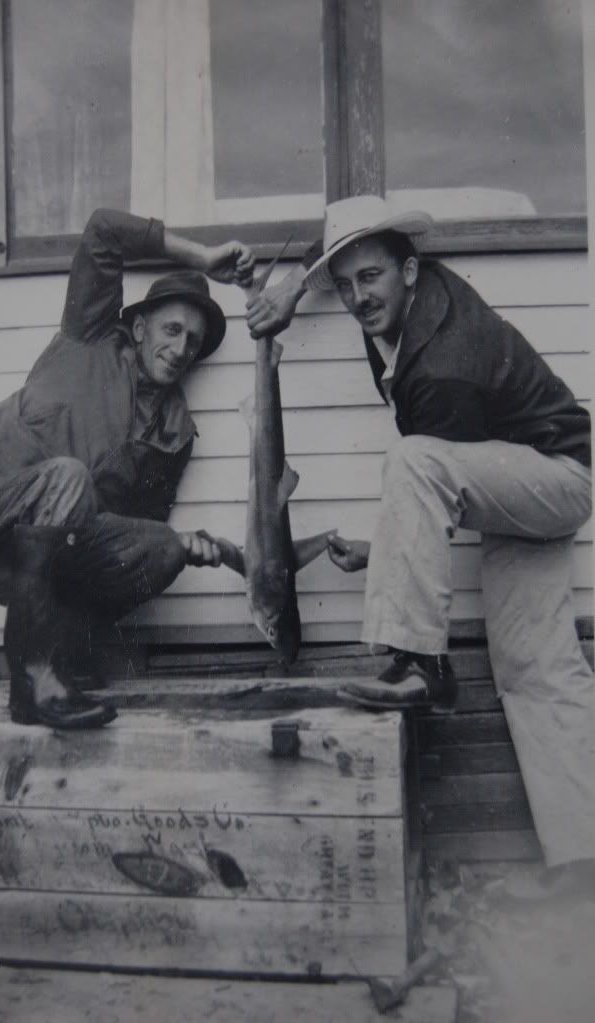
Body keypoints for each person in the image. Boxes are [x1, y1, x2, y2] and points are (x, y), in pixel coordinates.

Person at [246, 194, 594, 897]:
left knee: (411, 458)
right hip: (517, 482)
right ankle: (584, 863)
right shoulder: (406, 301)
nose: (357, 298)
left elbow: (436, 481)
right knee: (535, 667)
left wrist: (389, 553)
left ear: (409, 270)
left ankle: (423, 664)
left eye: (370, 278)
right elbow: (453, 486)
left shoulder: (442, 367)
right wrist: (295, 289)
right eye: (345, 285)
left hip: (556, 478)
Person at [0, 209, 255, 730]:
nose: (180, 349)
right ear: (139, 328)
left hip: (46, 567)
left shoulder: (174, 432)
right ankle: (33, 680)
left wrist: (185, 543)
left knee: (163, 546)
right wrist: (204, 257)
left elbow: (126, 537)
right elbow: (103, 229)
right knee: (69, 477)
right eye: (171, 330)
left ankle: (63, 654)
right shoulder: (91, 335)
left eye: (192, 341)